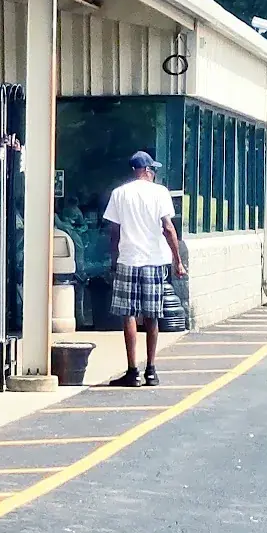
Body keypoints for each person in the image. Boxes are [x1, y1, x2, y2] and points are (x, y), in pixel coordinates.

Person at [103, 151, 187, 387]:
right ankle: (151, 369)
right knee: (152, 315)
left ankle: (133, 371)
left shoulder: (119, 194)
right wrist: (177, 260)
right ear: (147, 170)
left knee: (128, 314)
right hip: (154, 260)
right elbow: (168, 228)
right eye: (153, 170)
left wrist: (114, 258)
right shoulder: (160, 193)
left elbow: (114, 231)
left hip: (128, 259)